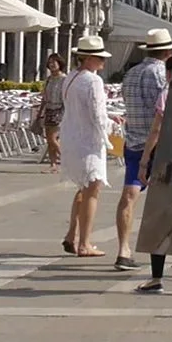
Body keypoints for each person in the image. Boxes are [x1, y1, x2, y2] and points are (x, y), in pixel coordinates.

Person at [114, 27, 172, 286]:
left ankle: (123, 250)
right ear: (167, 51)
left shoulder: (130, 73)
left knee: (129, 196)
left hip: (132, 141)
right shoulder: (158, 75)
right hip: (155, 146)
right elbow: (162, 115)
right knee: (167, 203)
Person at [57, 34, 114, 258]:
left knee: (83, 188)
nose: (103, 62)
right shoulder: (93, 80)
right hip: (88, 141)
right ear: (88, 58)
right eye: (99, 57)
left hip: (71, 136)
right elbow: (97, 114)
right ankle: (85, 243)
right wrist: (110, 131)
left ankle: (72, 235)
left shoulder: (71, 77)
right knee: (92, 189)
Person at [38, 53, 68, 168]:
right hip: (49, 110)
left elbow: (67, 97)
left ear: (60, 64)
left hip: (59, 110)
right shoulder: (49, 79)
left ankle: (66, 160)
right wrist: (40, 112)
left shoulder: (64, 79)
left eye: (54, 62)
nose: (52, 65)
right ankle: (53, 165)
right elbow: (44, 97)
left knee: (52, 138)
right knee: (49, 140)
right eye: (50, 63)